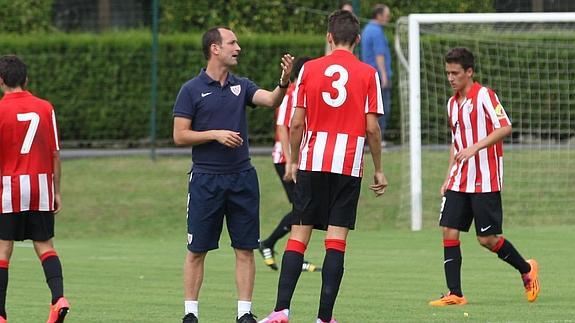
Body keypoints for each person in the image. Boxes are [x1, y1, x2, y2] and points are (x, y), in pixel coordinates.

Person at [259, 10, 387, 323]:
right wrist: (379, 168)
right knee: (336, 240)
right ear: (357, 39)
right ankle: (324, 318)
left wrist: (292, 159)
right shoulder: (368, 74)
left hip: (313, 162)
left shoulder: (310, 70)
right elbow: (372, 128)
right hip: (347, 164)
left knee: (298, 237)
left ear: (329, 37)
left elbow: (296, 122)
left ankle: (281, 311)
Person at [172, 27, 293, 323]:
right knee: (197, 250)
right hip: (205, 180)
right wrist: (215, 134)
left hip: (242, 179)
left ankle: (244, 314)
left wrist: (284, 81)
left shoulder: (243, 86)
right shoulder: (191, 89)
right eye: (232, 42)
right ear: (215, 48)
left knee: (245, 248)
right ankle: (190, 313)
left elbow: (271, 100)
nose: (238, 47)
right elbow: (179, 135)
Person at [428, 47, 540, 306]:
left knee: (486, 239)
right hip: (459, 178)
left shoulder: (485, 96)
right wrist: (447, 177)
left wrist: (476, 147)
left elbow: (506, 127)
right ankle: (455, 293)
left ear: (469, 72)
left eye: (455, 73)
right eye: (447, 73)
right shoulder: (451, 103)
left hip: (485, 178)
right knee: (449, 230)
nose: (450, 78)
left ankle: (526, 269)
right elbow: (456, 143)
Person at [0, 55, 69, 323]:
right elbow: (55, 154)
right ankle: (58, 298)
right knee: (45, 245)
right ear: (26, 79)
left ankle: (1, 314)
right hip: (41, 187)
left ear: (2, 81)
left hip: (9, 190)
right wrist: (57, 191)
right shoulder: (45, 108)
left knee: (3, 250)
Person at [258, 56, 321, 273]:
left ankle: (281, 250)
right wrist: (290, 161)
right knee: (303, 209)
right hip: (286, 160)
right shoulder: (292, 92)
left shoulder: (305, 92)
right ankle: (283, 251)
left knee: (304, 209)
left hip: (296, 159)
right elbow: (283, 128)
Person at [361, 4, 392, 145]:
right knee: (381, 108)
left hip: (368, 75)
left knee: (370, 108)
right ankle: (377, 139)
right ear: (379, 16)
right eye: (386, 15)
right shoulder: (377, 31)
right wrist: (384, 75)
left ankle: (369, 139)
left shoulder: (367, 29)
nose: (388, 18)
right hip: (377, 75)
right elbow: (379, 55)